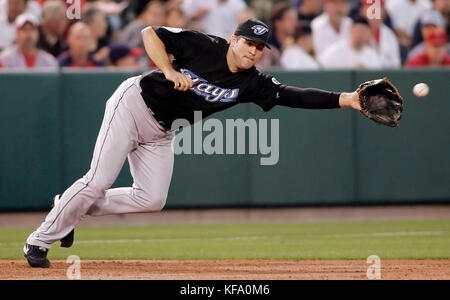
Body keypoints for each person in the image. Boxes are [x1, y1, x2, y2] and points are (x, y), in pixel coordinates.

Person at [24, 19, 364, 268]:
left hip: (160, 133)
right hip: (132, 106)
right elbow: (150, 33)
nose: (253, 50)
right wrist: (169, 71)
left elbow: (292, 95)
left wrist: (346, 98)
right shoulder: (205, 46)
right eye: (248, 42)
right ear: (234, 39)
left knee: (152, 198)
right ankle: (38, 241)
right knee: (98, 179)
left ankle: (67, 205)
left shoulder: (251, 83)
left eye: (260, 47)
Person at [360, 0, 401, 68]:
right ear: (363, 11)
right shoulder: (355, 30)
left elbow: (395, 64)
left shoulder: (389, 35)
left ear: (383, 12)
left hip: (384, 75)